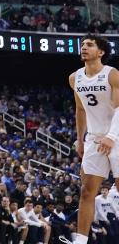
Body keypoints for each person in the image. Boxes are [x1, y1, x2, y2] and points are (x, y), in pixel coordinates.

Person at [64, 35, 119, 244]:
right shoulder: (74, 78)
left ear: (101, 52)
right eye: (83, 45)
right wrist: (80, 139)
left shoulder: (112, 74)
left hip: (117, 135)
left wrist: (112, 136)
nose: (84, 48)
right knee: (87, 191)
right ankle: (81, 241)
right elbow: (80, 109)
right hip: (95, 139)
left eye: (89, 45)